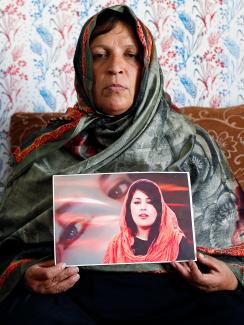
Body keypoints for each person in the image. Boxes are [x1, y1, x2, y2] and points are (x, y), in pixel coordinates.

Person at [0, 5, 243, 324]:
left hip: (178, 296)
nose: (116, 67)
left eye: (131, 55)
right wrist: (26, 274)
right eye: (101, 55)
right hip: (74, 297)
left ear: (148, 68)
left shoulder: (190, 144)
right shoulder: (47, 147)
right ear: (84, 68)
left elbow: (237, 244)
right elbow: (8, 245)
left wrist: (230, 278)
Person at [103, 178, 194, 263]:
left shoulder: (176, 241)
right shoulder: (117, 243)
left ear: (159, 207)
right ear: (128, 208)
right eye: (137, 202)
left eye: (150, 202)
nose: (143, 208)